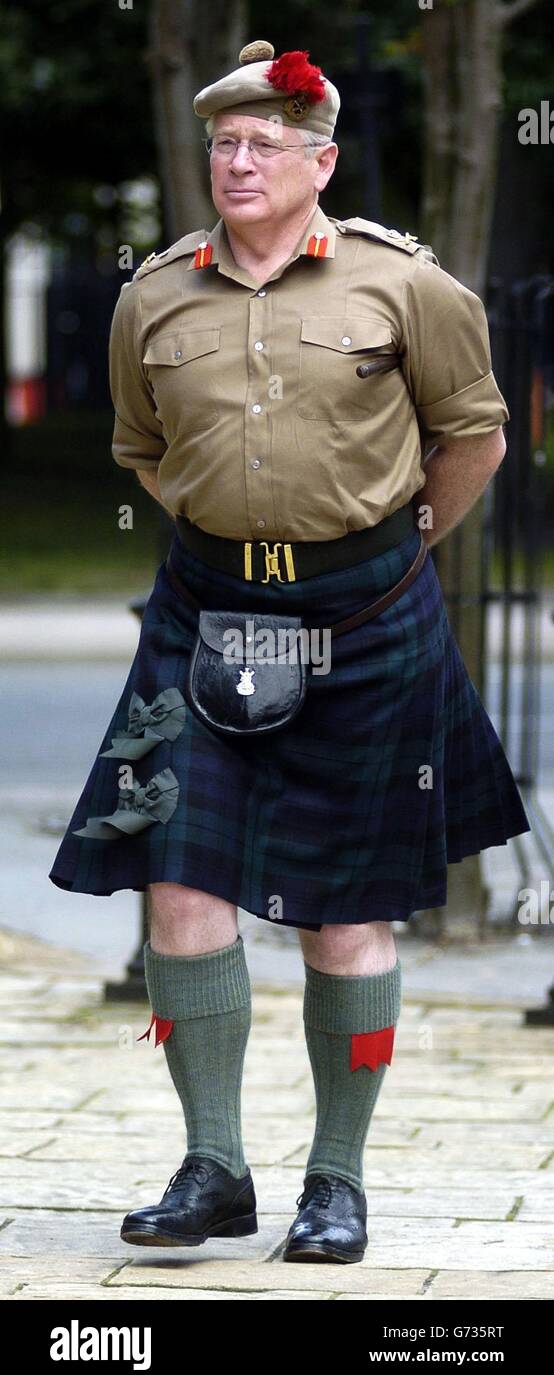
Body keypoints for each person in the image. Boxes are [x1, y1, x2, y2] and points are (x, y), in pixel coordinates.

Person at [49, 40, 530, 1264]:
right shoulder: (153, 294)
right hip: (203, 615)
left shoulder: (403, 286)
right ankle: (213, 1166)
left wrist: (391, 543)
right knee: (178, 888)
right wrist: (241, 539)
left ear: (319, 163)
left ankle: (337, 1180)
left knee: (346, 912)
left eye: (267, 143)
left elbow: (473, 432)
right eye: (224, 143)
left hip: (370, 619)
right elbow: (140, 451)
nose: (240, 159)